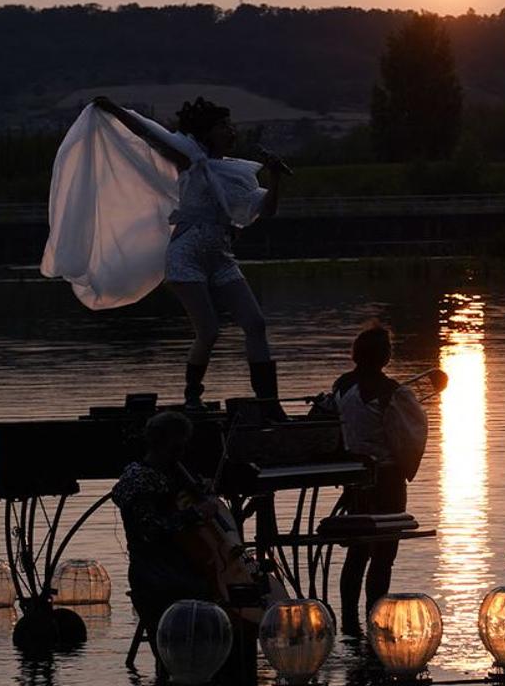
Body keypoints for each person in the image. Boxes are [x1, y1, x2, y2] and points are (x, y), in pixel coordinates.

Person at [91, 96, 287, 415]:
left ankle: (268, 401)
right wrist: (115, 111)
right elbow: (150, 134)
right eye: (223, 126)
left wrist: (275, 178)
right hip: (186, 256)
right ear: (207, 132)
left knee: (255, 323)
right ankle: (193, 395)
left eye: (230, 125)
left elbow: (268, 210)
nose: (231, 130)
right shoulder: (189, 160)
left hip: (220, 257)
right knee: (208, 331)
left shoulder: (235, 172)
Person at [331, 322, 428, 636]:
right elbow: (406, 440)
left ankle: (348, 620)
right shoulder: (392, 393)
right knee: (384, 554)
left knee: (357, 550)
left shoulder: (340, 386)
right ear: (384, 356)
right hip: (386, 480)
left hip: (354, 479)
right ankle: (375, 616)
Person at [111, 411, 215, 653]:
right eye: (177, 448)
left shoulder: (171, 475)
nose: (181, 455)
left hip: (179, 567)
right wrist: (197, 513)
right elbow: (150, 531)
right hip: (155, 573)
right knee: (202, 598)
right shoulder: (139, 481)